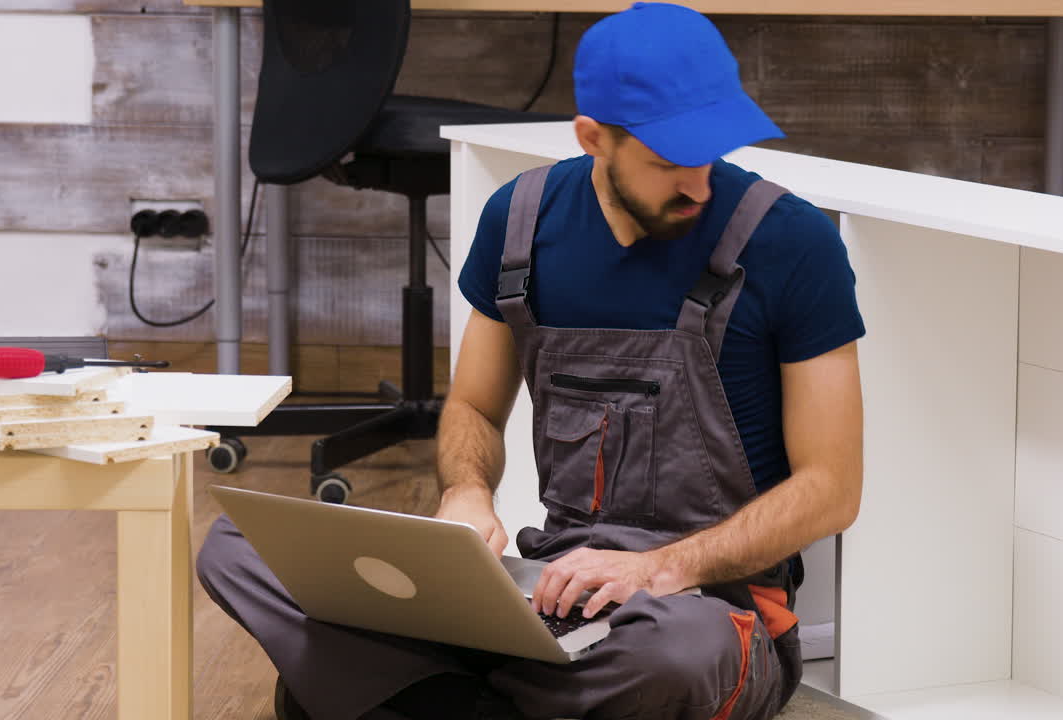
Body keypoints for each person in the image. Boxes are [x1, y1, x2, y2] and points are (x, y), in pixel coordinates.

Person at [197, 3, 865, 719]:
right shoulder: (519, 224)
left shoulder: (793, 244)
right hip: (547, 590)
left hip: (702, 608)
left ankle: (415, 694)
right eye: (669, 162)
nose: (698, 184)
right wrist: (465, 494)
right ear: (592, 139)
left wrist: (664, 565)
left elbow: (833, 488)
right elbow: (476, 410)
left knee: (671, 659)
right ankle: (500, 694)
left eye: (710, 153)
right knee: (236, 547)